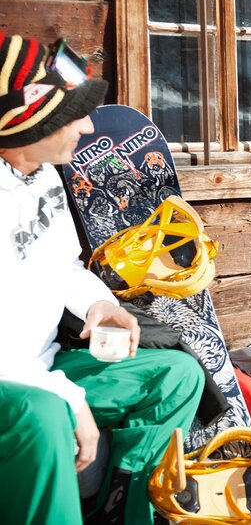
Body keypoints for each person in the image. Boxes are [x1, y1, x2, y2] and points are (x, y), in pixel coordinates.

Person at [0, 33, 205, 524]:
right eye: (74, 114)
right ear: (28, 123)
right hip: (15, 385)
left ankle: (127, 514)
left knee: (177, 377)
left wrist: (100, 305)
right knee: (46, 416)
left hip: (45, 368)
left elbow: (65, 266)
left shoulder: (43, 175)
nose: (89, 125)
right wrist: (69, 400)